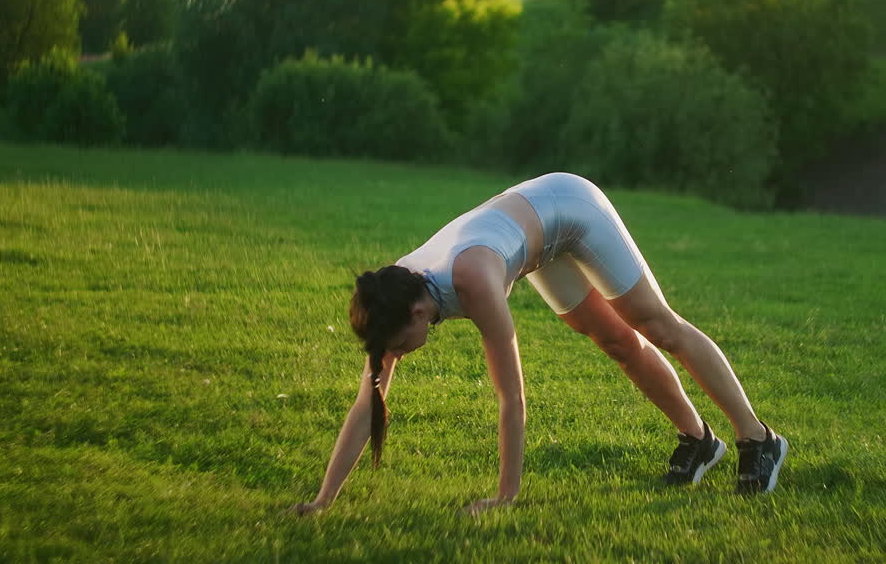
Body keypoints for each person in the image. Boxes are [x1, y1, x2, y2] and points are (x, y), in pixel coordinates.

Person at [290, 172, 786, 516]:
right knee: (614, 341)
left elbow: (512, 398)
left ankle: (758, 439)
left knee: (655, 325)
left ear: (419, 314)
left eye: (400, 344)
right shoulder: (392, 293)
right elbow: (367, 404)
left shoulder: (473, 282)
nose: (397, 354)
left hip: (569, 207)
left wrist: (506, 495)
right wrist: (323, 499)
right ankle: (700, 441)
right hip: (533, 243)